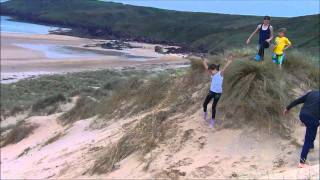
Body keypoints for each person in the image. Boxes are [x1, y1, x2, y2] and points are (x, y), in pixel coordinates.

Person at [283, 90, 320, 168]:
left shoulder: (312, 93)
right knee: (308, 138)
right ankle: (302, 162)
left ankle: (310, 146)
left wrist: (287, 108)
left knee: (312, 129)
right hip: (312, 118)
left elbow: (298, 100)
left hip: (302, 115)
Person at [201, 54, 236, 128]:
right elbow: (206, 68)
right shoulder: (212, 74)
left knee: (213, 107)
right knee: (205, 104)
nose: (210, 72)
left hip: (218, 93)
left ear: (215, 69)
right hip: (211, 92)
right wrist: (203, 61)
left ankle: (212, 122)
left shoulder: (220, 73)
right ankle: (205, 113)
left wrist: (230, 61)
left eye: (211, 70)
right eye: (210, 71)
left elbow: (226, 67)